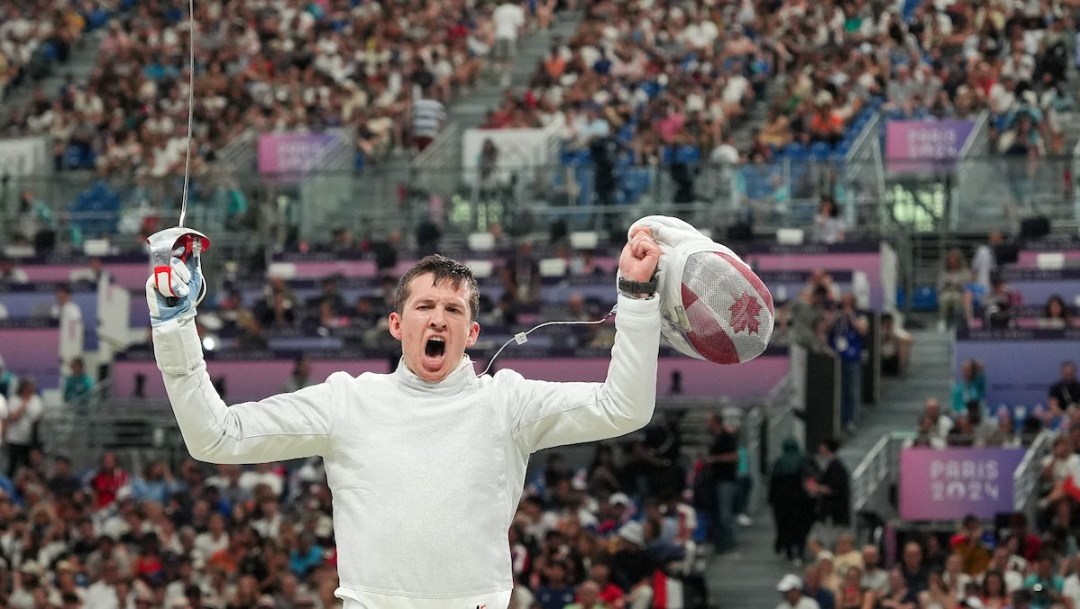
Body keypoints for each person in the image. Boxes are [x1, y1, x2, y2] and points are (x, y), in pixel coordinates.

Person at [146, 228, 663, 607]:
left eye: (453, 310)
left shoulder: (508, 402)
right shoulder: (346, 402)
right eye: (424, 306)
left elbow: (624, 408)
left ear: (473, 332)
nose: (438, 317)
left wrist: (637, 300)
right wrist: (175, 327)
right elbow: (215, 436)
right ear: (397, 324)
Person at [770, 438, 814, 565]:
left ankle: (788, 550)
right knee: (800, 526)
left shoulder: (779, 462)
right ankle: (799, 551)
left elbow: (773, 482)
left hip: (782, 500)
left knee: (785, 525)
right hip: (801, 500)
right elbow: (809, 477)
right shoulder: (804, 460)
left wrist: (772, 500)